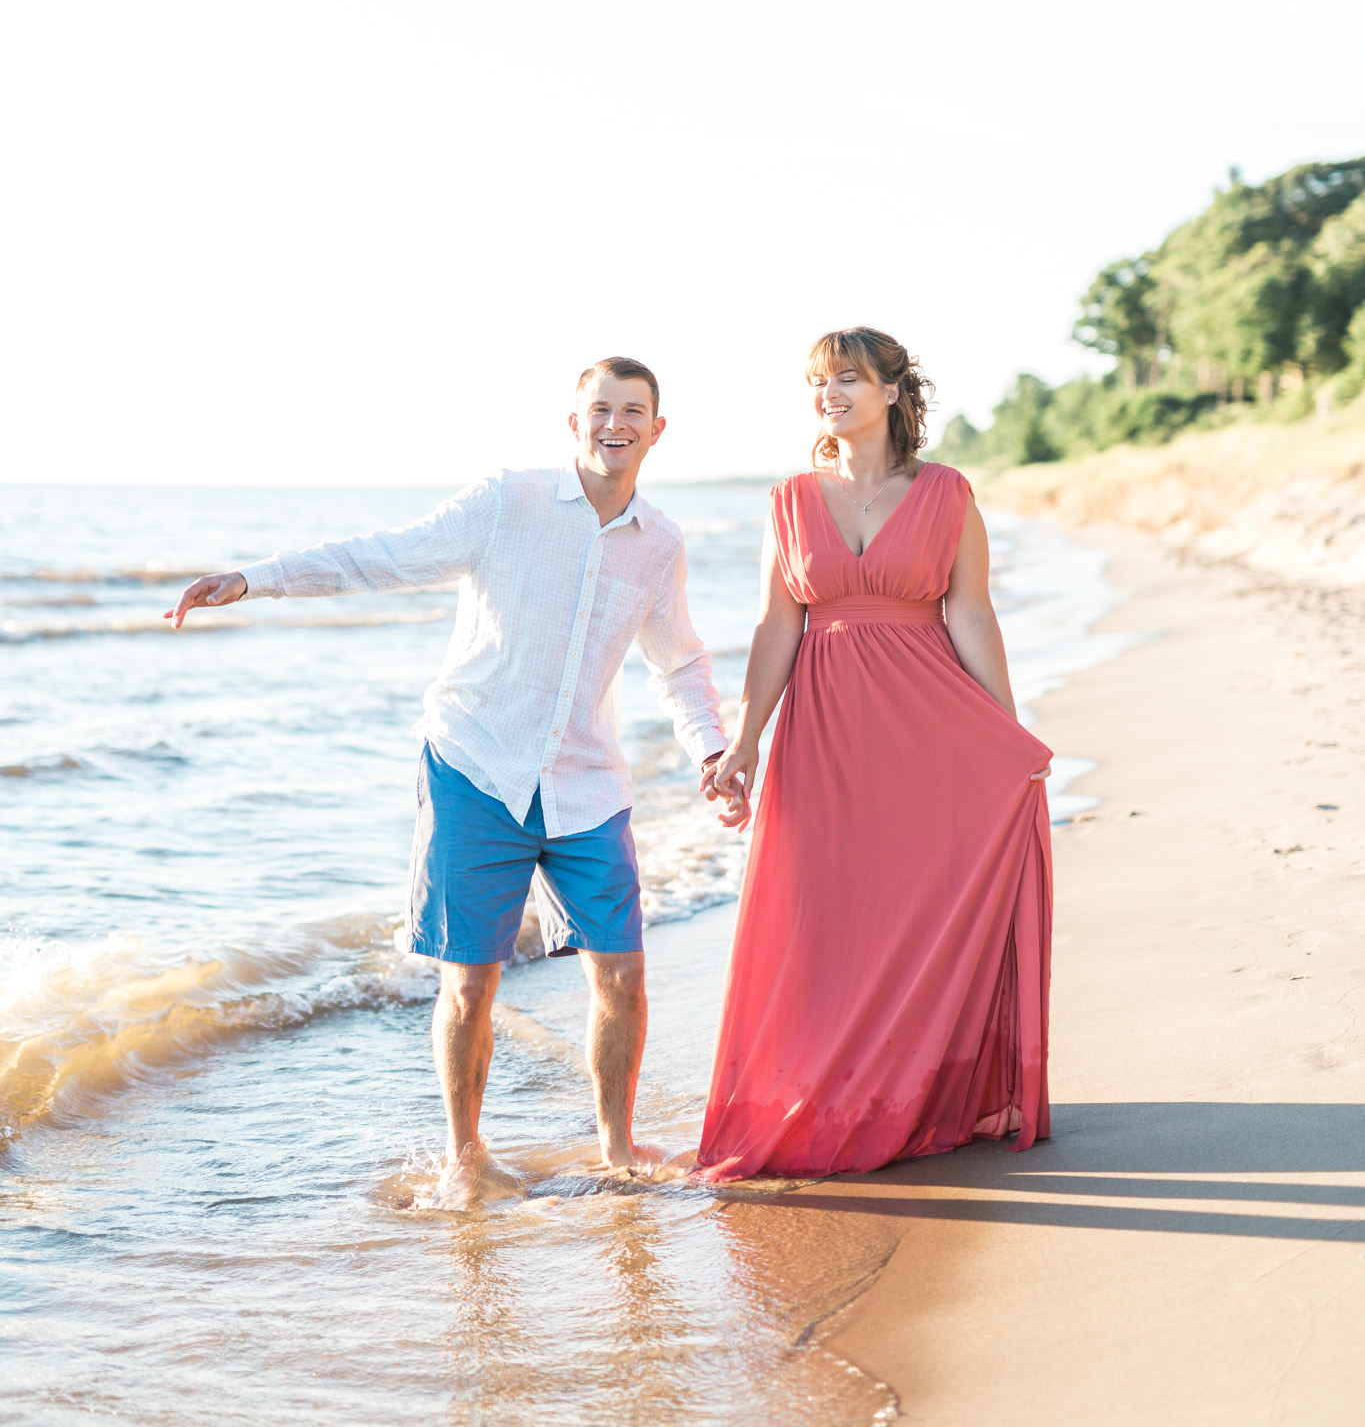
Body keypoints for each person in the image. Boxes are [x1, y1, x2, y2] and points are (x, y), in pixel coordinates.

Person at [167, 356, 745, 1201]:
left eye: (632, 411)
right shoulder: (506, 501)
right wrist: (257, 579)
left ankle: (617, 1144)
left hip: (586, 783)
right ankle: (465, 1155)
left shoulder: (659, 544)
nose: (613, 424)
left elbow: (680, 663)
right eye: (599, 409)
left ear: (657, 430)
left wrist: (709, 751)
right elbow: (386, 557)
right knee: (470, 981)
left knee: (621, 972)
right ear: (572, 421)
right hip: (476, 766)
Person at [696, 327, 1052, 1182]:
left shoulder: (946, 493)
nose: (829, 394)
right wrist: (744, 740)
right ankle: (831, 1094)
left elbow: (970, 614)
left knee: (912, 907)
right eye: (818, 381)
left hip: (928, 725)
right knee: (823, 914)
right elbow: (778, 624)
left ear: (893, 392)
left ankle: (914, 1092)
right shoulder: (788, 500)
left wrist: (1005, 731)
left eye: (848, 379)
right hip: (820, 730)